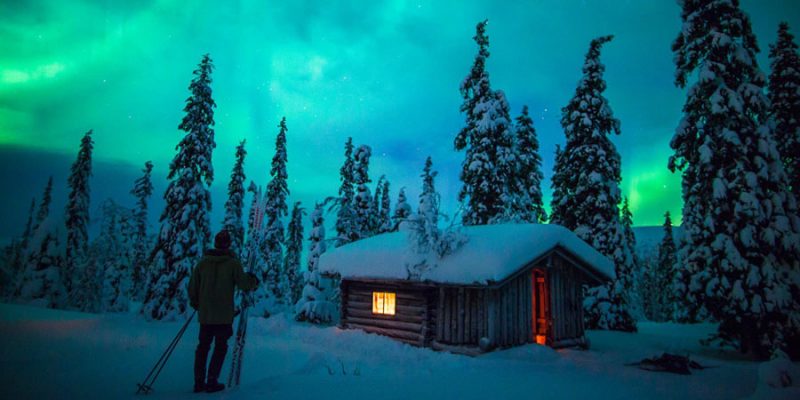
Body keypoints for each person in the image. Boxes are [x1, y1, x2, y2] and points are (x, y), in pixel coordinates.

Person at [188, 230, 258, 393]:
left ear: (215, 243)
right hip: (223, 316)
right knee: (220, 347)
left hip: (206, 316)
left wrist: (196, 303)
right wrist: (254, 281)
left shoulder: (203, 263)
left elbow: (192, 287)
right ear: (228, 244)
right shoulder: (232, 264)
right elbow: (244, 284)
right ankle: (212, 381)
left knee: (203, 347)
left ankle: (199, 382)